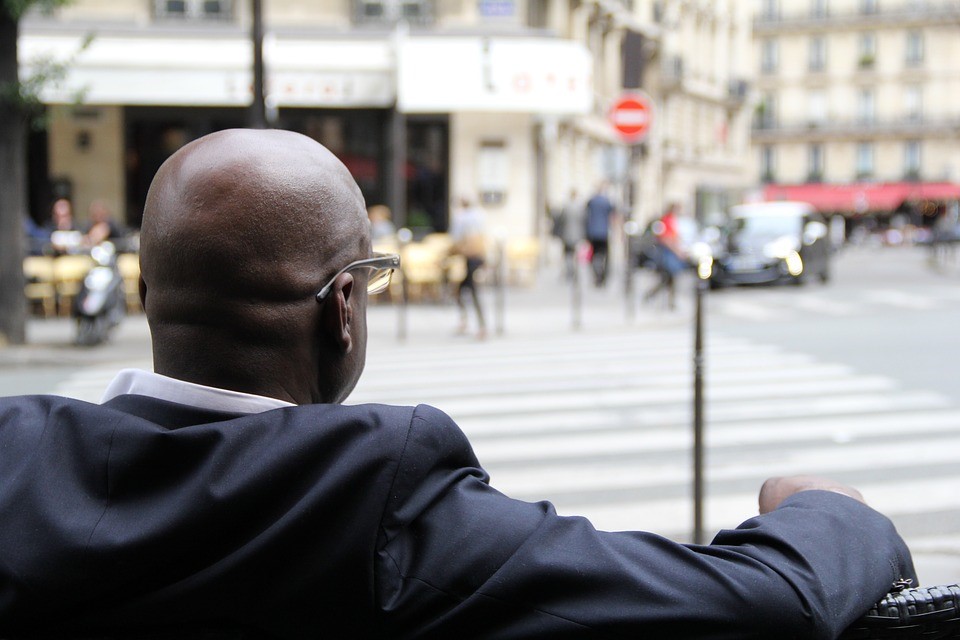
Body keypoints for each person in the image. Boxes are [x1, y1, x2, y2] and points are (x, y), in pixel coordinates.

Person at [0, 129, 915, 639]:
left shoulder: (15, 458)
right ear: (343, 309)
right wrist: (822, 507)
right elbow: (761, 609)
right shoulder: (376, 502)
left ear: (149, 293)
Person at [449, 196, 487, 340]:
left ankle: (480, 326)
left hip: (471, 260)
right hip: (478, 259)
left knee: (472, 292)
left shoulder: (461, 218)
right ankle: (471, 323)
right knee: (463, 290)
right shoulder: (480, 215)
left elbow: (456, 238)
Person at [643, 204, 688, 310]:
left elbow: (675, 237)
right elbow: (666, 238)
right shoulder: (667, 220)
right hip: (668, 253)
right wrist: (677, 251)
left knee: (670, 278)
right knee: (668, 277)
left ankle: (669, 301)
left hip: (671, 252)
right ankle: (657, 297)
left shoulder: (672, 220)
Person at [584, 181, 616, 287]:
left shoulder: (591, 201)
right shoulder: (606, 201)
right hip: (603, 233)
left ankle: (596, 274)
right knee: (605, 255)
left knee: (593, 255)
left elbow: (586, 215)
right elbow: (613, 215)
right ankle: (602, 275)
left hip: (592, 232)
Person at [556, 188, 585, 282]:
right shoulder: (580, 207)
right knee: (574, 253)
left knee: (568, 253)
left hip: (567, 233)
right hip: (577, 234)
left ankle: (570, 271)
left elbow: (561, 220)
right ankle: (574, 270)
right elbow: (583, 220)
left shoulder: (566, 206)